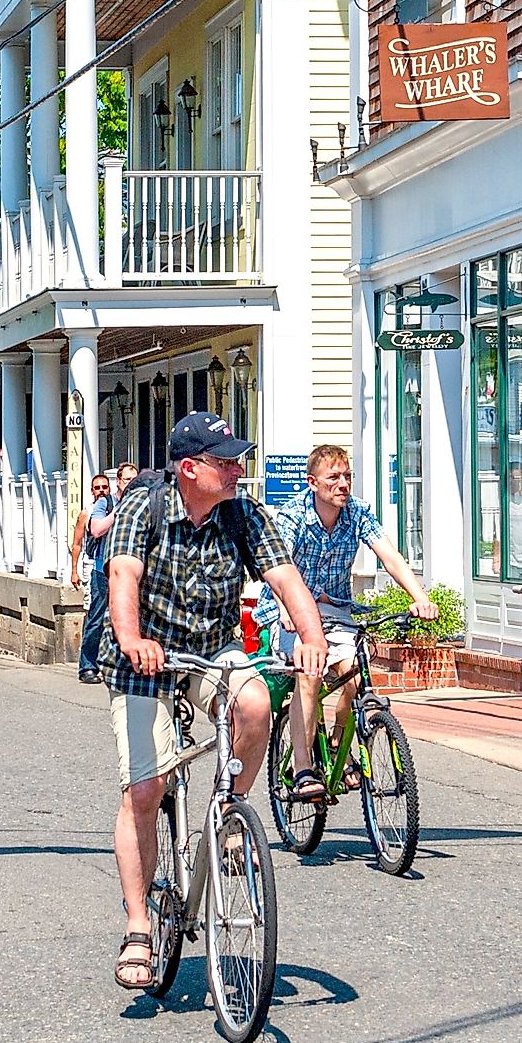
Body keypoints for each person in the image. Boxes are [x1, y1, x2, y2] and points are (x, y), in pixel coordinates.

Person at [105, 413, 326, 990]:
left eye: (237, 459)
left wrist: (311, 639)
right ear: (189, 469)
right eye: (225, 462)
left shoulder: (242, 514)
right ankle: (137, 926)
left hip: (210, 649)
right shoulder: (141, 508)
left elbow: (286, 580)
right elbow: (123, 576)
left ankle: (229, 814)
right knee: (145, 789)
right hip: (145, 657)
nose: (237, 469)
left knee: (253, 704)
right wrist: (132, 639)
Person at [263, 444, 437, 802]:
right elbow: (276, 566)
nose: (343, 484)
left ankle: (341, 749)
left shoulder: (357, 513)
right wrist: (284, 608)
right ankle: (303, 768)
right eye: (334, 478)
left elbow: (390, 556)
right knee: (308, 673)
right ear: (312, 482)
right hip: (291, 613)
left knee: (355, 676)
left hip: (337, 610)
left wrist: (419, 597)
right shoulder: (293, 516)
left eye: (347, 477)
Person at [69, 472, 116, 685]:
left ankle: (108, 662)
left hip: (114, 567)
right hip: (92, 566)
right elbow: (77, 543)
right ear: (91, 491)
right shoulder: (87, 513)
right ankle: (87, 664)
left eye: (104, 487)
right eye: (97, 488)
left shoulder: (116, 506)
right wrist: (74, 570)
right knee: (94, 615)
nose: (101, 491)